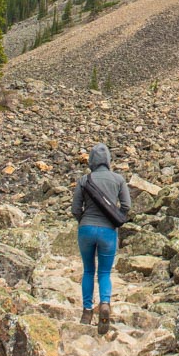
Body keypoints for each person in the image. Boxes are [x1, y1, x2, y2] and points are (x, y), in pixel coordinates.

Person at [71, 143, 131, 334]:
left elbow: (75, 209)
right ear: (108, 161)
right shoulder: (118, 179)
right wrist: (114, 218)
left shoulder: (83, 180)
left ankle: (87, 311)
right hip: (108, 231)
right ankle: (105, 304)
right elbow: (126, 206)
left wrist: (84, 221)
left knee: (88, 270)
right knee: (104, 273)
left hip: (86, 229)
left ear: (91, 161)